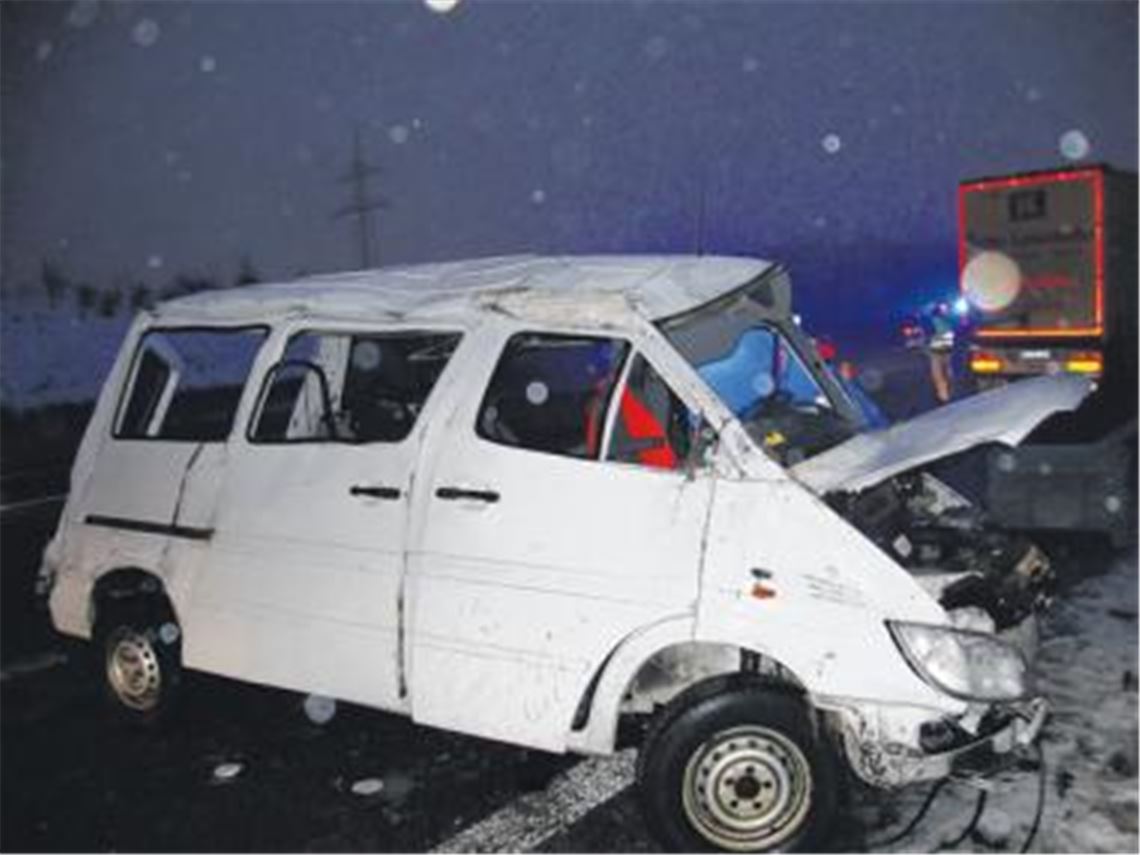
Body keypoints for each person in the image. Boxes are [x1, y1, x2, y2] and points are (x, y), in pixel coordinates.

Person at [927, 302, 955, 403]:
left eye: (946, 308)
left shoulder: (948, 320)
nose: (945, 310)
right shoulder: (934, 321)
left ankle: (945, 393)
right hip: (937, 350)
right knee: (939, 373)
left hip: (945, 349)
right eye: (943, 309)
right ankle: (943, 395)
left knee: (946, 371)